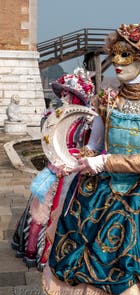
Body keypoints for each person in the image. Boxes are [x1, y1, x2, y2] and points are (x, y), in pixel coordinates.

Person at [42, 22, 140, 295]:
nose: (116, 60)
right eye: (114, 53)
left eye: (126, 54)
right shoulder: (107, 98)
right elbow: (94, 146)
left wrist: (104, 163)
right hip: (104, 196)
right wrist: (75, 161)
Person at [11, 67, 99, 271]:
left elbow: (90, 147)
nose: (64, 97)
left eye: (69, 94)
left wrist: (78, 157)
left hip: (73, 168)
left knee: (63, 208)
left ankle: (56, 252)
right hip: (55, 166)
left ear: (78, 98)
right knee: (40, 208)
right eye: (64, 93)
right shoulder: (56, 116)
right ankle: (35, 249)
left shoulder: (86, 121)